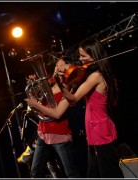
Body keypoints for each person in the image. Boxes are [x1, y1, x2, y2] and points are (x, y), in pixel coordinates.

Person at [56, 37, 124, 178]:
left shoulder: (95, 76)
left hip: (100, 131)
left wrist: (61, 84)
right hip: (94, 131)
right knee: (94, 174)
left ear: (94, 55)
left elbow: (73, 99)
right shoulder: (93, 74)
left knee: (109, 174)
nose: (80, 59)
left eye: (83, 56)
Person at [24, 58, 81, 178]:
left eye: (63, 66)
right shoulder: (49, 83)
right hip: (43, 134)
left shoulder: (70, 88)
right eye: (57, 65)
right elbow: (35, 101)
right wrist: (33, 85)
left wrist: (36, 105)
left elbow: (57, 114)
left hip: (59, 135)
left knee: (71, 174)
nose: (59, 68)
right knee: (35, 172)